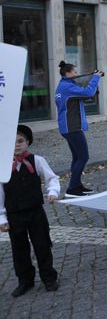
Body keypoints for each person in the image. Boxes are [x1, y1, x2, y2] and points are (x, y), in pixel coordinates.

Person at [1, 125, 60, 297]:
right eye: (12, 142)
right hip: (14, 214)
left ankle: (49, 278)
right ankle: (25, 280)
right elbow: (0, 193)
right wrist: (1, 217)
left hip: (35, 211)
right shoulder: (3, 166)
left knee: (42, 244)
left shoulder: (38, 160)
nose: (16, 145)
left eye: (20, 141)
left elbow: (52, 178)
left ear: (28, 142)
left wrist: (53, 192)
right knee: (19, 249)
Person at [55, 60, 102, 198]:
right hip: (72, 127)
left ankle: (76, 185)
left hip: (68, 127)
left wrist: (93, 86)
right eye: (75, 72)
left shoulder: (65, 85)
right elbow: (87, 93)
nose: (77, 74)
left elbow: (84, 96)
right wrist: (96, 77)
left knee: (77, 157)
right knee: (83, 157)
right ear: (68, 73)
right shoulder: (67, 87)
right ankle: (72, 189)